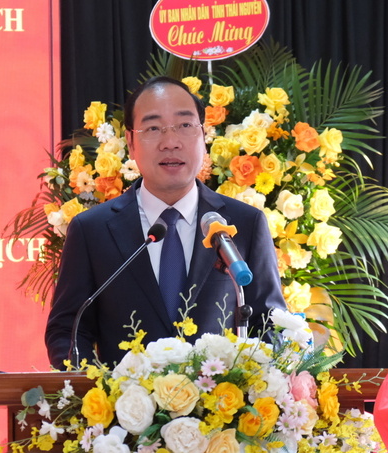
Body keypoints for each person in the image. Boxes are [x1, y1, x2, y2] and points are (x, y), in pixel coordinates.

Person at [44, 76, 287, 369]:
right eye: (153, 128)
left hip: (221, 396)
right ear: (131, 143)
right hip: (124, 398)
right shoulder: (92, 230)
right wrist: (97, 387)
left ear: (203, 136)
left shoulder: (245, 223)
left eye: (185, 125)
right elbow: (68, 331)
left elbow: (271, 324)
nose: (171, 142)